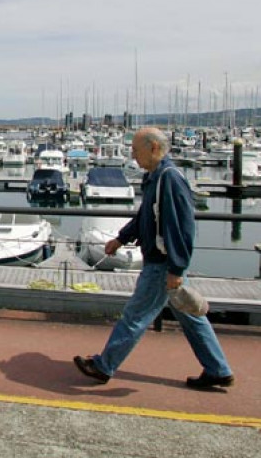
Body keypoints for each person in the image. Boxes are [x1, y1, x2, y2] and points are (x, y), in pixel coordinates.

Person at [73, 127, 234, 389]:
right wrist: (121, 238)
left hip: (162, 263)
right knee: (190, 315)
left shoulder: (170, 179)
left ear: (154, 148)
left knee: (135, 316)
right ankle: (218, 369)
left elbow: (183, 226)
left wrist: (177, 268)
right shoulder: (156, 178)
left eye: (136, 150)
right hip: (165, 261)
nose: (133, 155)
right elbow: (145, 217)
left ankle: (104, 365)